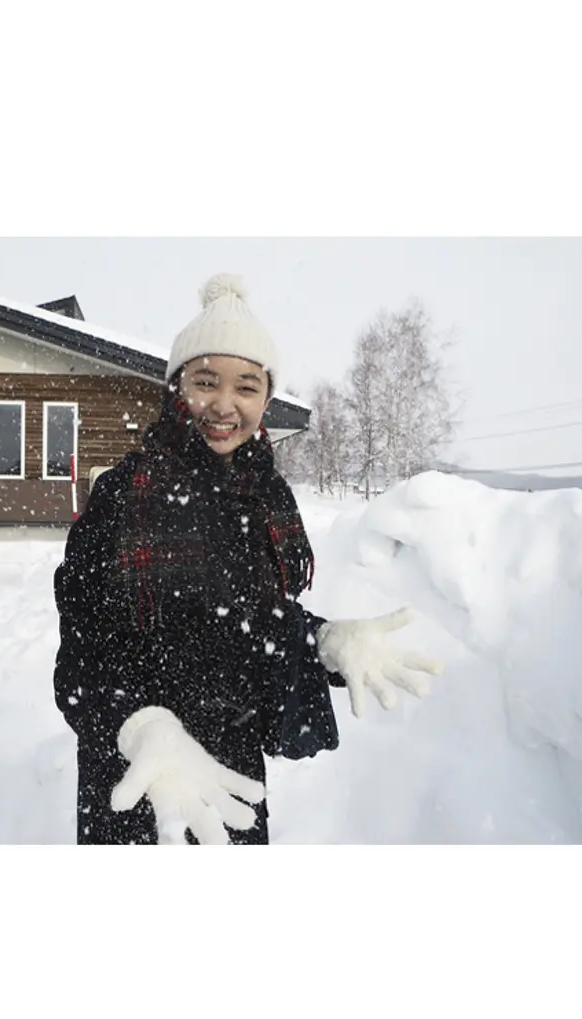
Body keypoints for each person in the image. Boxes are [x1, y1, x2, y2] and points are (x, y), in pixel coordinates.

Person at [53, 273, 443, 844]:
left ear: (266, 397)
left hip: (233, 771)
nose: (224, 405)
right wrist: (142, 727)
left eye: (246, 387)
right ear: (176, 386)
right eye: (206, 381)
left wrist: (322, 641)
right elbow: (81, 657)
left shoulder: (267, 498)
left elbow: (252, 623)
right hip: (136, 776)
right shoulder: (123, 493)